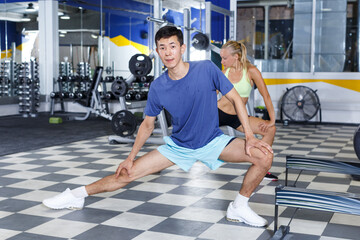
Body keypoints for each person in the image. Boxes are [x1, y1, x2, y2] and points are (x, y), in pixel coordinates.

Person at [42, 26, 273, 227]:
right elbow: (146, 125)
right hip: (179, 146)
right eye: (162, 47)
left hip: (213, 141)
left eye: (172, 46)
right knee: (126, 173)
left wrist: (251, 137)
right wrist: (130, 156)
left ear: (182, 48)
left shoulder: (206, 69)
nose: (168, 52)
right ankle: (75, 195)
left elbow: (235, 99)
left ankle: (239, 206)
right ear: (157, 51)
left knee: (263, 156)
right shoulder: (158, 86)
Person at [218, 40, 278, 181]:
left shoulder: (251, 71)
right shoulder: (223, 72)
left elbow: (266, 96)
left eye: (224, 58)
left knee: (270, 129)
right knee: (193, 135)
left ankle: (261, 166)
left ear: (236, 56)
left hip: (239, 116)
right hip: (218, 112)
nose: (222, 61)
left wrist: (272, 119)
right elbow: (210, 95)